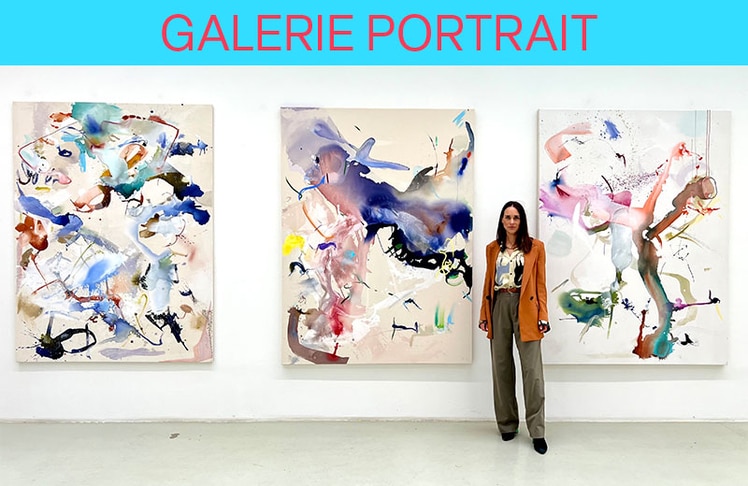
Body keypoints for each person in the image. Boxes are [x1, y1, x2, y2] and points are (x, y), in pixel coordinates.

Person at [479, 200, 551, 455]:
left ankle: (537, 432)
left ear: (522, 221)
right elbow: (488, 283)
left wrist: (543, 315)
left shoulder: (535, 247)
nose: (511, 221)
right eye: (508, 217)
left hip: (527, 308)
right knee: (501, 368)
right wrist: (484, 313)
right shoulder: (492, 249)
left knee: (533, 373)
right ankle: (508, 424)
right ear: (502, 220)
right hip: (499, 305)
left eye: (516, 217)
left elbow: (540, 284)